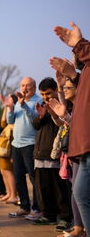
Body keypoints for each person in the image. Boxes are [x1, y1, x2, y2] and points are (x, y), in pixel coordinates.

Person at [51, 21, 90, 236]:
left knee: (82, 195)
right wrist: (74, 76)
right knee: (81, 194)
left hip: (86, 145)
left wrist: (79, 44)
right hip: (82, 146)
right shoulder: (83, 76)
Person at [31, 77, 72, 230]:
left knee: (60, 189)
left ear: (55, 91)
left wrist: (55, 114)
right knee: (43, 188)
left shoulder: (62, 105)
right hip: (40, 153)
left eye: (47, 93)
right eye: (42, 94)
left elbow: (64, 127)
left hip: (55, 154)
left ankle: (64, 217)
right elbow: (35, 125)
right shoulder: (42, 106)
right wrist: (41, 116)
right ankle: (48, 215)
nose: (45, 97)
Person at [5, 77, 42, 219]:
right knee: (19, 177)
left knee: (33, 177)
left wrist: (24, 105)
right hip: (16, 144)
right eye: (22, 85)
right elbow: (10, 121)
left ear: (34, 87)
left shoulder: (38, 101)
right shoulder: (18, 102)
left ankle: (37, 208)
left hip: (30, 144)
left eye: (27, 85)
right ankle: (24, 206)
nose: (24, 88)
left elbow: (35, 121)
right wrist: (10, 108)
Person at [0, 95, 18, 204]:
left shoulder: (16, 111)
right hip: (4, 148)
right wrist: (6, 107)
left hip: (10, 148)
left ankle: (14, 195)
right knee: (3, 171)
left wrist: (9, 108)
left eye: (10, 98)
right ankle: (9, 193)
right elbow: (2, 123)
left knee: (9, 172)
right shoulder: (8, 110)